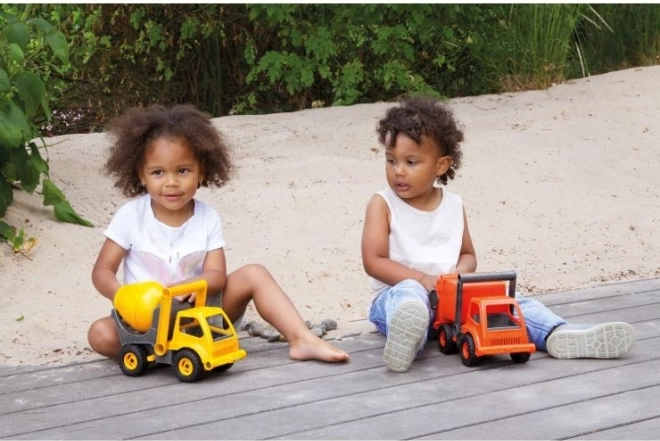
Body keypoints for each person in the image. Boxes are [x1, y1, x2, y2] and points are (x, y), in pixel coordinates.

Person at [361, 96, 636, 373]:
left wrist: (459, 275)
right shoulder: (383, 204)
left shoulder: (453, 205)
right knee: (409, 296)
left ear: (441, 166)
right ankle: (409, 337)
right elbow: (374, 261)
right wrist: (422, 281)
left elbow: (467, 254)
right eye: (390, 160)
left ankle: (557, 333)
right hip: (397, 297)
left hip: (451, 303)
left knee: (507, 300)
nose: (398, 171)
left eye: (410, 162)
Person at [88, 104, 349, 363]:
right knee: (100, 334)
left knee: (254, 273)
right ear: (141, 175)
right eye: (158, 172)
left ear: (201, 171)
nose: (171, 182)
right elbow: (102, 270)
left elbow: (216, 275)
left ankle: (301, 338)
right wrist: (121, 295)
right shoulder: (131, 215)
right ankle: (158, 351)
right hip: (145, 319)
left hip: (199, 314)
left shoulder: (207, 217)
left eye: (183, 171)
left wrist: (195, 285)